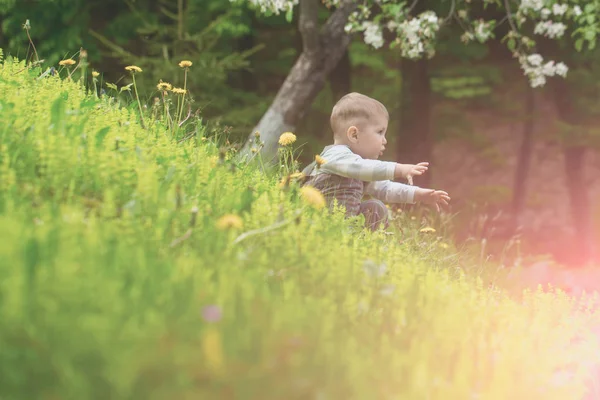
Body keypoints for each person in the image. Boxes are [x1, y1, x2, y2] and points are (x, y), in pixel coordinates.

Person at [301, 92, 450, 231]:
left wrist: (419, 194)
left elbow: (385, 188)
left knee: (375, 208)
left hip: (345, 225)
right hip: (318, 224)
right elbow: (366, 168)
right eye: (380, 132)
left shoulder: (358, 168)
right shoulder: (335, 156)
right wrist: (400, 169)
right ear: (354, 135)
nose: (384, 140)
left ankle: (364, 243)